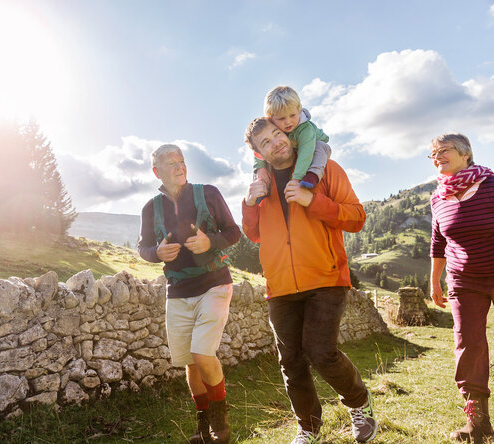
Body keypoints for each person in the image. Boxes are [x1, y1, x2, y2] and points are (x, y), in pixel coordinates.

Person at [242, 117, 376, 444]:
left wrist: (312, 201)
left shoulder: (326, 170)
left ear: (288, 133)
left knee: (320, 351)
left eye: (278, 134)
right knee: (290, 361)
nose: (276, 142)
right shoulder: (262, 182)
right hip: (280, 287)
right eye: (265, 142)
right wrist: (248, 203)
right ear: (258, 152)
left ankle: (359, 403)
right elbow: (254, 234)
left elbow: (356, 217)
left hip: (326, 279)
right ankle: (309, 427)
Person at [138, 144, 241, 444]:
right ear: (157, 171)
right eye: (170, 163)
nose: (179, 166)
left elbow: (234, 232)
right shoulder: (150, 207)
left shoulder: (208, 193)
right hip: (177, 291)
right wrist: (156, 253)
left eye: (181, 161)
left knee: (202, 353)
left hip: (215, 283)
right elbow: (143, 247)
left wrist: (211, 243)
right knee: (190, 362)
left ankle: (220, 423)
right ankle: (203, 428)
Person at [429, 133, 494, 443]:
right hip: (464, 281)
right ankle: (477, 424)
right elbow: (439, 243)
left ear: (466, 154)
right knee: (468, 347)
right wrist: (435, 280)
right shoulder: (438, 197)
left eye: (443, 150)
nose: (437, 157)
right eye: (432, 154)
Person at [253, 86, 331, 203]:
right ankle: (261, 188)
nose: (288, 121)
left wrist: (296, 179)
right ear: (271, 118)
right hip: (295, 148)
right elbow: (258, 146)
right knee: (268, 157)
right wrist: (259, 168)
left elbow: (306, 153)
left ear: (299, 109)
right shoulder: (274, 128)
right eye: (282, 118)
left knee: (320, 149)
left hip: (314, 145)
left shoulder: (305, 129)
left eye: (292, 115)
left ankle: (313, 175)